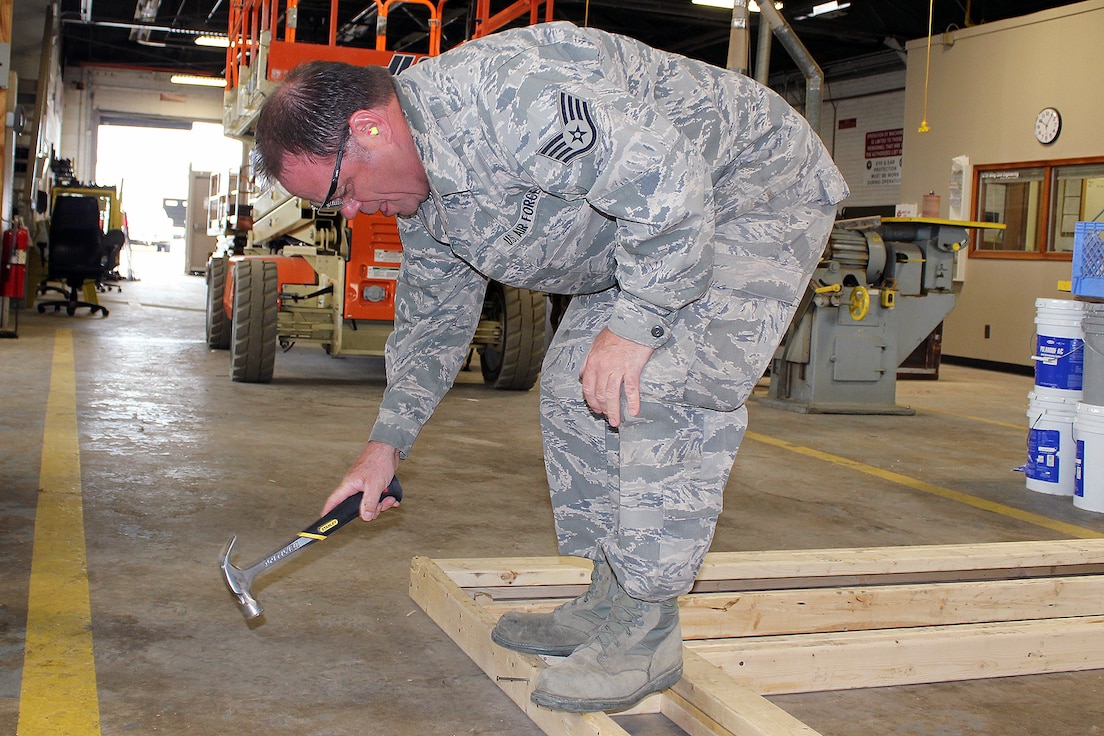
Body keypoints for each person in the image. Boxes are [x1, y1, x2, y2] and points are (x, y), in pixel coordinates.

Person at [252, 21, 848, 713]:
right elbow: (433, 321)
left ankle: (647, 626)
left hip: (748, 193)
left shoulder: (511, 97)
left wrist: (638, 325)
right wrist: (384, 447)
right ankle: (610, 597)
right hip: (647, 230)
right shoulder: (424, 191)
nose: (352, 212)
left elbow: (669, 182)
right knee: (574, 388)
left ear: (370, 129)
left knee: (656, 383)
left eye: (341, 190)